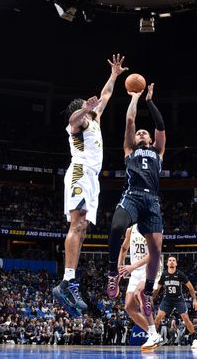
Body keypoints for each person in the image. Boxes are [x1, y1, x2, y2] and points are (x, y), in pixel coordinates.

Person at [53, 54, 128, 317]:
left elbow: (105, 95)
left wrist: (114, 75)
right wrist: (84, 108)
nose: (92, 110)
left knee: (82, 228)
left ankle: (68, 281)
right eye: (87, 109)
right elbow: (73, 120)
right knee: (77, 224)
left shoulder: (94, 120)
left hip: (92, 178)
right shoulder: (79, 124)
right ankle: (68, 281)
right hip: (80, 172)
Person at [106, 83, 166, 351]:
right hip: (132, 195)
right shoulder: (129, 149)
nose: (141, 133)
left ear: (150, 140)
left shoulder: (158, 152)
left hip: (152, 199)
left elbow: (161, 125)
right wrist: (134, 98)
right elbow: (130, 119)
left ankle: (149, 291)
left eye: (145, 132)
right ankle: (111, 273)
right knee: (117, 226)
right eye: (139, 132)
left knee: (156, 251)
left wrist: (150, 102)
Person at [118, 224, 162, 339]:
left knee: (139, 294)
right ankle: (153, 334)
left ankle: (153, 331)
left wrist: (132, 266)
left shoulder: (155, 227)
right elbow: (123, 248)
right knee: (129, 307)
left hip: (151, 267)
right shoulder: (130, 229)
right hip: (136, 270)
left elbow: (153, 253)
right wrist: (119, 267)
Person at [154, 256, 197, 348]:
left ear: (176, 263)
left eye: (173, 260)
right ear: (167, 263)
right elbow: (157, 289)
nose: (171, 262)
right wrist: (151, 299)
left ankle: (195, 339)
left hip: (178, 299)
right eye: (170, 260)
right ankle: (152, 338)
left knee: (185, 318)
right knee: (158, 317)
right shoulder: (163, 275)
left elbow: (190, 287)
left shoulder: (180, 274)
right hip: (167, 299)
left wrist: (194, 300)